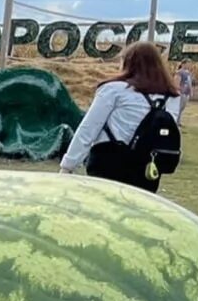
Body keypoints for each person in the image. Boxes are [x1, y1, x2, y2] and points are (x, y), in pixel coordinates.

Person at [59, 41, 181, 192]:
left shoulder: (114, 90)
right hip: (147, 167)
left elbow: (89, 128)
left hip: (109, 162)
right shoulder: (172, 96)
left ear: (128, 62)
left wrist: (68, 165)